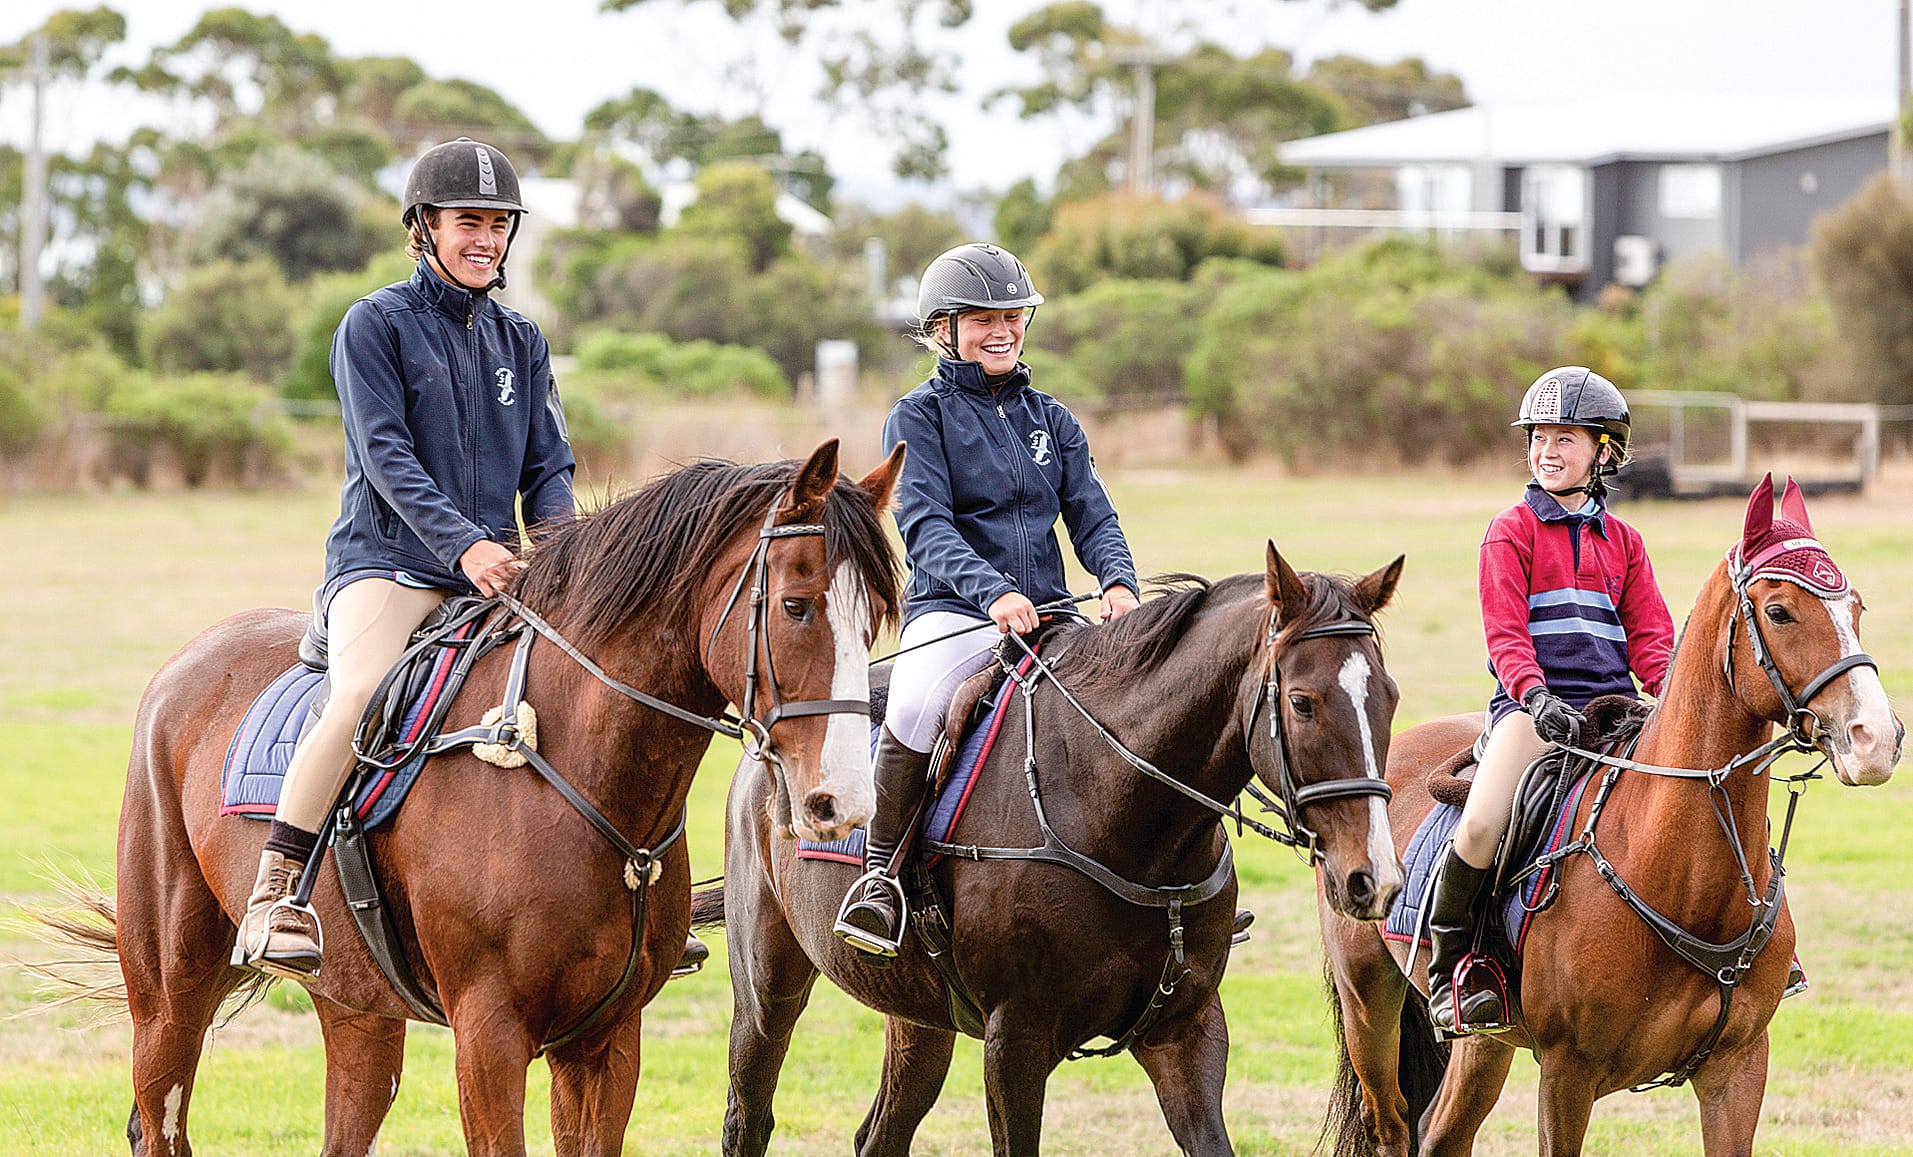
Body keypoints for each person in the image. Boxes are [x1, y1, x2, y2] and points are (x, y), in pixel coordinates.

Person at [236, 137, 576, 978]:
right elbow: (386, 457)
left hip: (497, 572)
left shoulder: (522, 340)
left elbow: (549, 469)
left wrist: (564, 558)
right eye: (469, 222)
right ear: (423, 227)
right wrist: (465, 545)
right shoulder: (374, 324)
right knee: (357, 693)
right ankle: (275, 888)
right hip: (388, 565)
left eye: (498, 225)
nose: (486, 240)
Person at [833, 242, 1142, 958]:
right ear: (942, 330)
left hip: (1053, 615)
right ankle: (880, 878)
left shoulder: (1052, 419)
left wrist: (1120, 581)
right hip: (953, 613)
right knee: (913, 704)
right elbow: (925, 526)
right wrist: (994, 591)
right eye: (982, 320)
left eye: (1013, 316)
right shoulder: (917, 418)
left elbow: (1093, 514)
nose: (1002, 331)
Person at [1423, 367, 1675, 1033]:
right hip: (1534, 711)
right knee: (1482, 823)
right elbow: (1505, 634)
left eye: (1565, 438)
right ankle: (1452, 969)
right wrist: (1534, 697)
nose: (1546, 451)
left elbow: (1652, 640)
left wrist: (1672, 697)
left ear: (1603, 451)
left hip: (1616, 711)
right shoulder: (1509, 530)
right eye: (1538, 437)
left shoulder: (1625, 542)